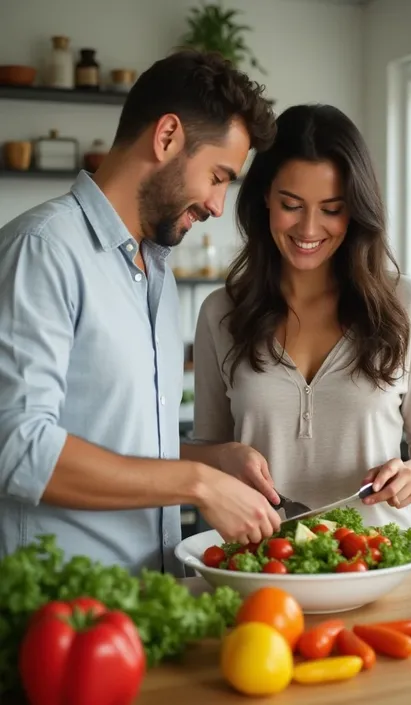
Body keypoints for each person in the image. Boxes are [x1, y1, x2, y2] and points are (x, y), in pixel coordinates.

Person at [0, 50, 282, 576]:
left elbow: (115, 442)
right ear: (168, 136)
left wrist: (208, 460)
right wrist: (195, 484)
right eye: (218, 176)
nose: (219, 206)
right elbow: (18, 445)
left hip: (145, 605)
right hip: (58, 616)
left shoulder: (154, 271)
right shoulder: (43, 250)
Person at [192, 103, 411, 533]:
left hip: (379, 561)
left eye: (332, 209)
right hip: (265, 561)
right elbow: (201, 448)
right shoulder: (221, 313)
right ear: (265, 198)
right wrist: (224, 457)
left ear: (356, 210)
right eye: (291, 204)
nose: (309, 229)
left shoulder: (405, 303)